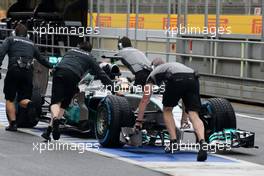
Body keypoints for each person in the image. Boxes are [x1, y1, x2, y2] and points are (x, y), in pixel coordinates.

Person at [136, 58, 207, 161]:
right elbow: (184, 99)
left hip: (176, 78)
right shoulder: (173, 65)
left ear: (152, 67)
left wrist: (139, 121)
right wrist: (184, 119)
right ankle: (202, 142)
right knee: (194, 114)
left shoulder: (153, 74)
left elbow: (145, 99)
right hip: (193, 77)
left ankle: (173, 142)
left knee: (167, 110)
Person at [41, 41, 114, 141]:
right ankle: (50, 128)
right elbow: (101, 74)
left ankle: (51, 126)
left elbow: (61, 63)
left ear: (79, 46)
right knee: (63, 105)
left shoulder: (70, 51)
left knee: (55, 103)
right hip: (74, 76)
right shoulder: (89, 57)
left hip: (59, 72)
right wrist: (113, 87)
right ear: (90, 50)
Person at [0, 24, 53, 131]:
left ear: (14, 33)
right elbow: (41, 59)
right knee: (23, 99)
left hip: (14, 70)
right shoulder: (31, 44)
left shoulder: (10, 40)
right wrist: (52, 66)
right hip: (28, 72)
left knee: (10, 98)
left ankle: (13, 124)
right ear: (27, 35)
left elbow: (1, 53)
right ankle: (31, 105)